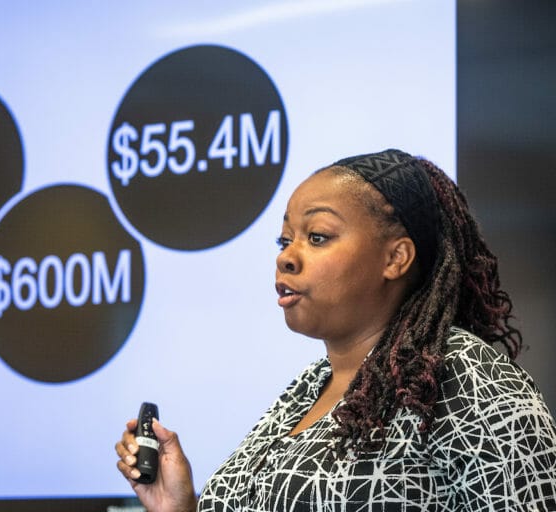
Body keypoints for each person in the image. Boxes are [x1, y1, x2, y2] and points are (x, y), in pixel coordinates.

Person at [115, 149, 556, 511]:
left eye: (318, 236)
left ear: (395, 258)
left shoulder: (467, 377)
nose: (286, 257)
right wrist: (180, 508)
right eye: (284, 240)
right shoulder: (303, 390)